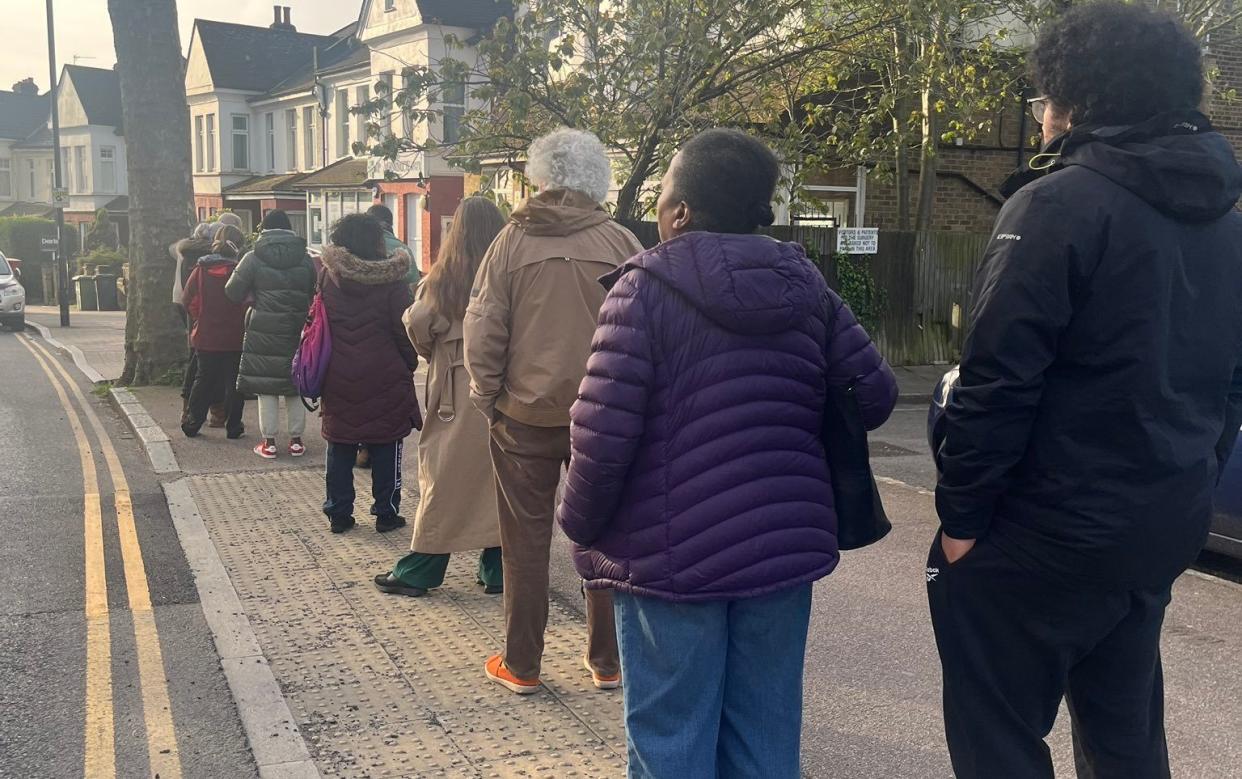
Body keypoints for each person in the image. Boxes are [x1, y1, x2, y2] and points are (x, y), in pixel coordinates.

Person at [929, 4, 1242, 778]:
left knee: (998, 735)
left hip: (1041, 531)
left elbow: (998, 377)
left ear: (1073, 99)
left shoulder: (1056, 204)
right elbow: (1230, 387)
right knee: (1125, 733)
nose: (1040, 119)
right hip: (1156, 526)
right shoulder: (1228, 223)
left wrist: (962, 518)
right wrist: (1190, 483)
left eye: (1041, 101)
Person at [556, 129, 897, 777]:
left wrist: (579, 523)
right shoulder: (810, 290)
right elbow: (873, 394)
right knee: (765, 737)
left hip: (668, 561)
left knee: (671, 740)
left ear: (681, 212)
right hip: (780, 553)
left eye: (662, 197)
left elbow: (600, 437)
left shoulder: (642, 291)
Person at [464, 128, 644, 695]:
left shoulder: (511, 242)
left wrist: (487, 396)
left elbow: (483, 326)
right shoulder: (622, 243)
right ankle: (607, 662)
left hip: (524, 415)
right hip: (608, 415)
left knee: (524, 542)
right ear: (598, 178)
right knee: (606, 537)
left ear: (540, 177)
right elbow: (649, 332)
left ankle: (522, 664)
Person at [374, 197, 508, 598]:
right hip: (502, 387)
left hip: (454, 389)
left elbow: (417, 325)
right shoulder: (509, 274)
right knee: (499, 477)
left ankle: (423, 567)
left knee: (443, 475)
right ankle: (497, 567)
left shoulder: (443, 279)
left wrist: (440, 352)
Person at [319, 214, 421, 534]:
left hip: (337, 371)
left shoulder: (326, 276)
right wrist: (409, 362)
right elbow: (404, 330)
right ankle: (386, 512)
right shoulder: (394, 282)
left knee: (340, 442)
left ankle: (339, 512)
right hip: (384, 372)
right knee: (386, 442)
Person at [225, 209, 316, 459]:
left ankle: (269, 442)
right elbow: (313, 289)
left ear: (263, 229)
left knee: (266, 386)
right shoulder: (305, 258)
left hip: (262, 328)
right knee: (296, 381)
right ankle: (296, 441)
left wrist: (253, 296)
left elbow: (232, 291)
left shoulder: (252, 258)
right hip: (298, 327)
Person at [181, 224, 249, 439]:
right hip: (235, 336)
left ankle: (193, 422)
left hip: (206, 334)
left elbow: (187, 299)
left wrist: (199, 317)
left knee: (203, 379)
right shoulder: (239, 271)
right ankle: (233, 426)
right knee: (234, 382)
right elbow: (248, 301)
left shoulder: (200, 270)